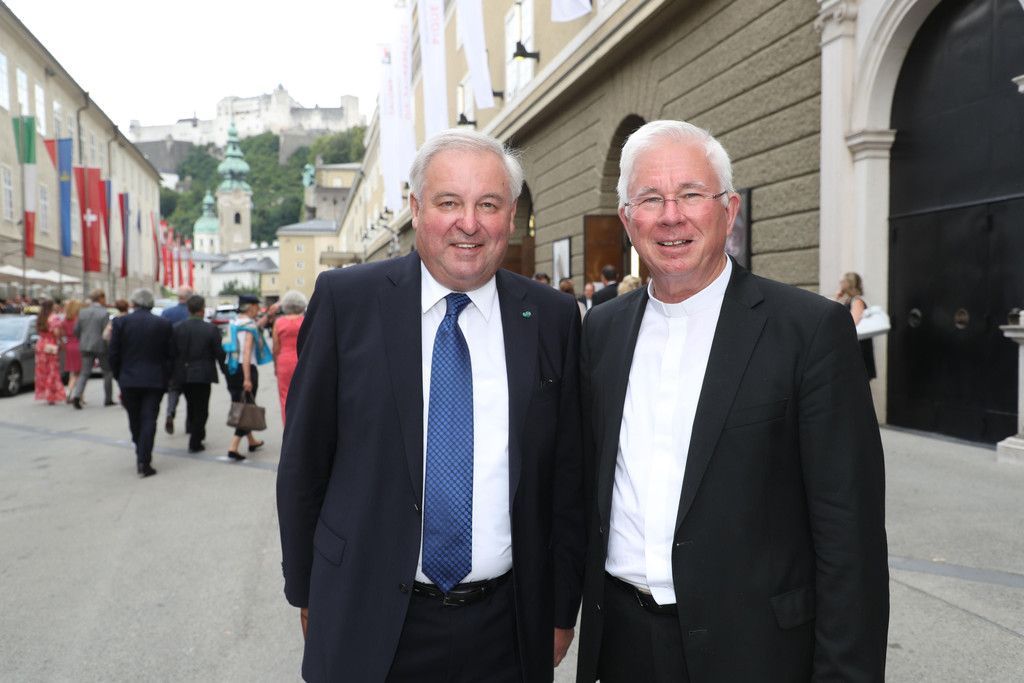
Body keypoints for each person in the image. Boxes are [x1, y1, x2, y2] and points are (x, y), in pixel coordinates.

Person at [575, 120, 888, 682]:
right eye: (650, 199)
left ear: (729, 209)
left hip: (757, 652)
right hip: (622, 647)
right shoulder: (602, 330)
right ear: (627, 219)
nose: (671, 216)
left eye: (691, 194)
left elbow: (850, 534)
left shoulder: (809, 331)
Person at [276, 128, 585, 682]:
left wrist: (561, 608)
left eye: (487, 204)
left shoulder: (552, 318)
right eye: (448, 203)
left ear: (511, 216)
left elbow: (566, 477)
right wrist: (307, 589)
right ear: (416, 209)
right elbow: (305, 462)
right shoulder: (348, 302)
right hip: (366, 615)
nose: (469, 223)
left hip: (508, 627)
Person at [109, 289, 174, 478]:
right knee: (149, 419)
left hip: (129, 379)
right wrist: (167, 376)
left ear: (134, 303)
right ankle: (144, 459)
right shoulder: (163, 323)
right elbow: (171, 355)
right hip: (155, 379)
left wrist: (119, 376)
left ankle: (141, 451)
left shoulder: (121, 322)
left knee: (135, 418)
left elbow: (113, 353)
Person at [172, 294, 225, 453]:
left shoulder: (177, 328)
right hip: (203, 374)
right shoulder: (210, 329)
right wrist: (227, 372)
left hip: (183, 373)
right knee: (202, 409)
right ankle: (195, 441)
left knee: (191, 403)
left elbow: (172, 353)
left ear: (189, 309)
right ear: (202, 310)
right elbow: (219, 354)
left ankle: (194, 430)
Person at [222, 294, 268, 461]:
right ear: (251, 307)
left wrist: (269, 315)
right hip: (245, 368)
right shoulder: (249, 326)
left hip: (231, 368)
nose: (258, 309)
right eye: (257, 306)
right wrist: (247, 378)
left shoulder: (233, 323)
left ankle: (251, 441)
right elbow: (247, 352)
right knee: (246, 406)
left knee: (240, 403)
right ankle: (233, 447)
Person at [71, 289, 115, 409]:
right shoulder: (104, 313)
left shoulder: (82, 312)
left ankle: (77, 395)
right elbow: (107, 333)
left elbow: (76, 330)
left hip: (85, 345)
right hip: (101, 346)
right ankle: (108, 399)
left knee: (84, 372)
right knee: (107, 372)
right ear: (100, 298)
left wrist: (82, 339)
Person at [271, 290, 306, 426]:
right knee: (304, 394)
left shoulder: (279, 322)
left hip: (284, 362)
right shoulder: (305, 321)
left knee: (285, 396)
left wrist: (275, 366)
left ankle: (288, 427)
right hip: (302, 360)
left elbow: (275, 347)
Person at [161, 286, 192, 435]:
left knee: (174, 389)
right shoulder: (192, 313)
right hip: (190, 358)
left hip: (172, 358)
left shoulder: (167, 313)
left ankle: (170, 412)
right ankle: (190, 425)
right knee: (191, 393)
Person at [836, 272, 878, 380]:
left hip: (858, 349)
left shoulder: (857, 301)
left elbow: (852, 324)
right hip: (853, 347)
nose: (840, 282)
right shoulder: (848, 300)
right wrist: (838, 298)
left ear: (850, 283)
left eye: (843, 281)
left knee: (856, 382)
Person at [33, 299, 64, 405]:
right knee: (52, 370)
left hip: (40, 344)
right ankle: (51, 395)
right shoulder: (54, 318)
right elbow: (56, 333)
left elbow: (39, 331)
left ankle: (44, 393)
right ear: (51, 306)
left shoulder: (40, 317)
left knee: (42, 371)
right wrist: (60, 338)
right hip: (50, 344)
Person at [60, 299, 83, 402]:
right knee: (80, 373)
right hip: (78, 345)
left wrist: (63, 344)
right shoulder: (78, 320)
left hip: (69, 345)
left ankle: (70, 392)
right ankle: (77, 395)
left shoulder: (65, 320)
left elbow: (61, 334)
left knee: (73, 372)